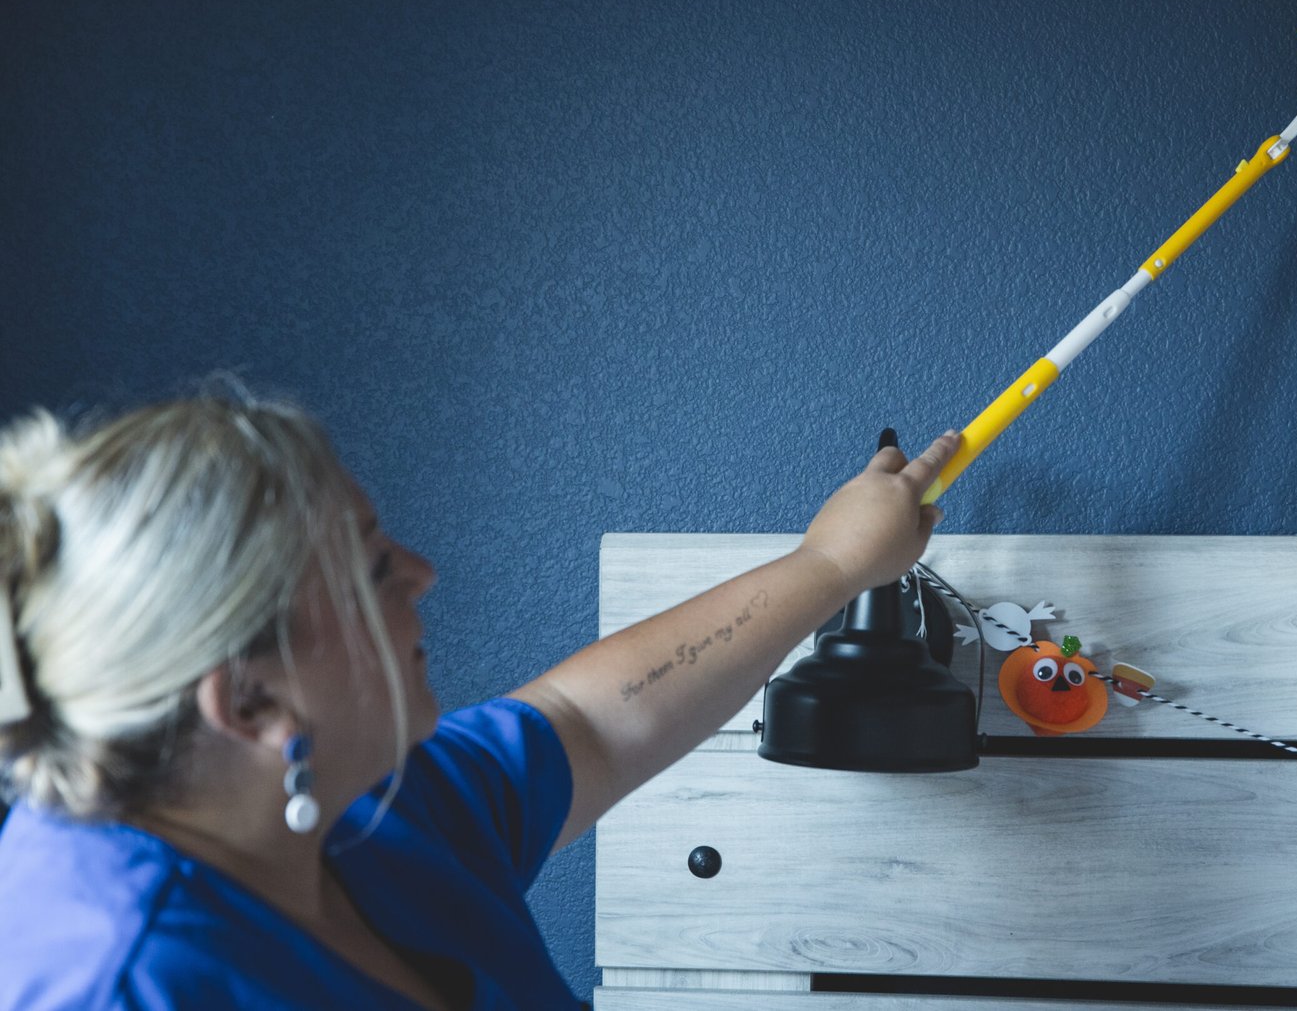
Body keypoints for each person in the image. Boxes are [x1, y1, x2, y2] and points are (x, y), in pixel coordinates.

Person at [0, 387, 959, 1010]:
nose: (422, 573)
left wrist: (832, 563)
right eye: (374, 568)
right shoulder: (119, 981)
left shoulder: (359, 807)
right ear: (250, 705)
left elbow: (587, 724)